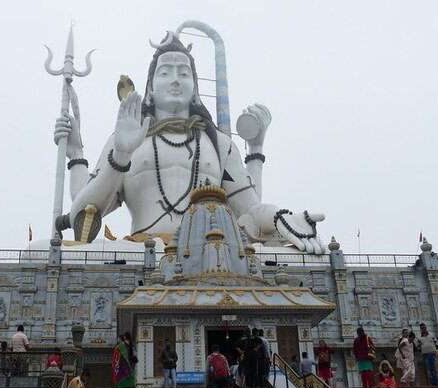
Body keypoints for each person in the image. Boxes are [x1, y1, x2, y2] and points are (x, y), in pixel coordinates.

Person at [55, 33, 325, 254]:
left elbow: (250, 212)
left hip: (210, 259)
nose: (175, 79)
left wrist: (281, 217)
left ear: (195, 87)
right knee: (47, 249)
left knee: (290, 254)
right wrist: (113, 155)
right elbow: (82, 211)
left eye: (184, 73)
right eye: (165, 73)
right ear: (149, 88)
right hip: (141, 250)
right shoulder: (126, 138)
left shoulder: (218, 142)